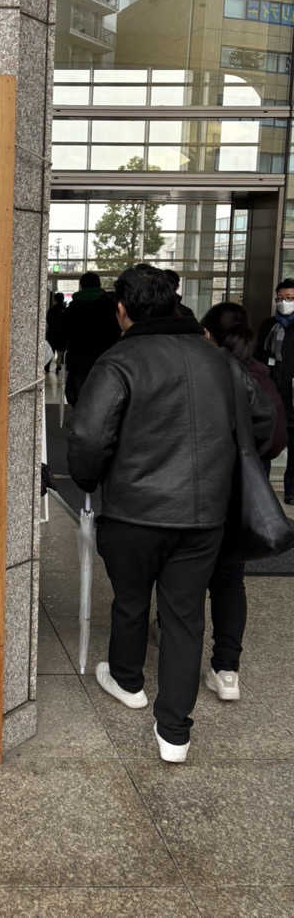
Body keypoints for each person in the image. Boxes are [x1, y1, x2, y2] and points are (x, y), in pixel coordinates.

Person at [67, 265, 237, 763]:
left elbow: (88, 436)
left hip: (135, 511)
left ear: (123, 310)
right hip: (204, 512)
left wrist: (87, 478)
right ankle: (175, 734)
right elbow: (254, 421)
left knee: (131, 598)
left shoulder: (120, 360)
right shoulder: (215, 358)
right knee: (186, 616)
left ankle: (127, 680)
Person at [200, 302, 279, 702]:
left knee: (189, 576)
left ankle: (175, 654)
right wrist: (249, 453)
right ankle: (227, 669)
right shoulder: (259, 373)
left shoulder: (205, 372)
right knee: (230, 580)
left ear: (208, 334)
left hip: (203, 490)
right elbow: (275, 432)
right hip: (243, 494)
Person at [256, 278, 294, 503]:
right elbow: (260, 356)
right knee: (266, 443)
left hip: (293, 393)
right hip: (271, 392)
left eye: (289, 299)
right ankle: (262, 489)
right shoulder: (269, 326)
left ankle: (291, 490)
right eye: (280, 299)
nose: (284, 303)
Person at [62, 271, 120, 405]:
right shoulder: (110, 307)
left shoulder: (73, 309)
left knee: (78, 399)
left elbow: (64, 333)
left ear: (81, 286)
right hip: (105, 360)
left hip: (78, 360)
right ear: (99, 285)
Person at [45, 292, 66, 374]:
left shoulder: (51, 310)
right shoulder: (65, 310)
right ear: (63, 299)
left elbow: (48, 320)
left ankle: (47, 366)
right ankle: (58, 365)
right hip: (62, 334)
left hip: (52, 334)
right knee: (60, 351)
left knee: (51, 350)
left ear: (55, 299)